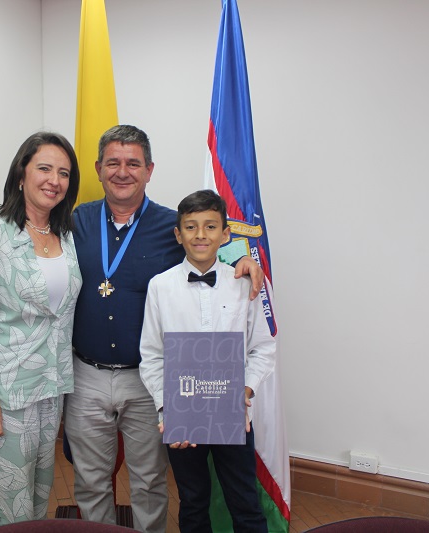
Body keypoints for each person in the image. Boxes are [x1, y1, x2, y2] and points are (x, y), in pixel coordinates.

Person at [65, 125, 264, 533]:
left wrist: (246, 261)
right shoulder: (76, 221)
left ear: (149, 169)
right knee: (90, 481)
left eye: (133, 163)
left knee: (151, 481)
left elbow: (208, 246)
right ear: (99, 168)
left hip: (146, 378)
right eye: (114, 163)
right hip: (85, 374)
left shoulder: (171, 224)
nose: (123, 171)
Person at [0, 131, 83, 526]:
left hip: (51, 388)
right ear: (20, 175)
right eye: (44, 168)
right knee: (9, 505)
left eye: (64, 173)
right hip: (6, 394)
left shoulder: (66, 234)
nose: (55, 180)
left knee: (38, 499)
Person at [139, 189, 276, 533]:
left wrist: (244, 391)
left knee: (244, 500)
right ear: (178, 234)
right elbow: (152, 356)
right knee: (193, 499)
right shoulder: (160, 287)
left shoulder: (244, 284)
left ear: (225, 234)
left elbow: (263, 347)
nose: (201, 235)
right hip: (182, 413)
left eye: (211, 227)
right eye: (191, 227)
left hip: (233, 411)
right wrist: (166, 408)